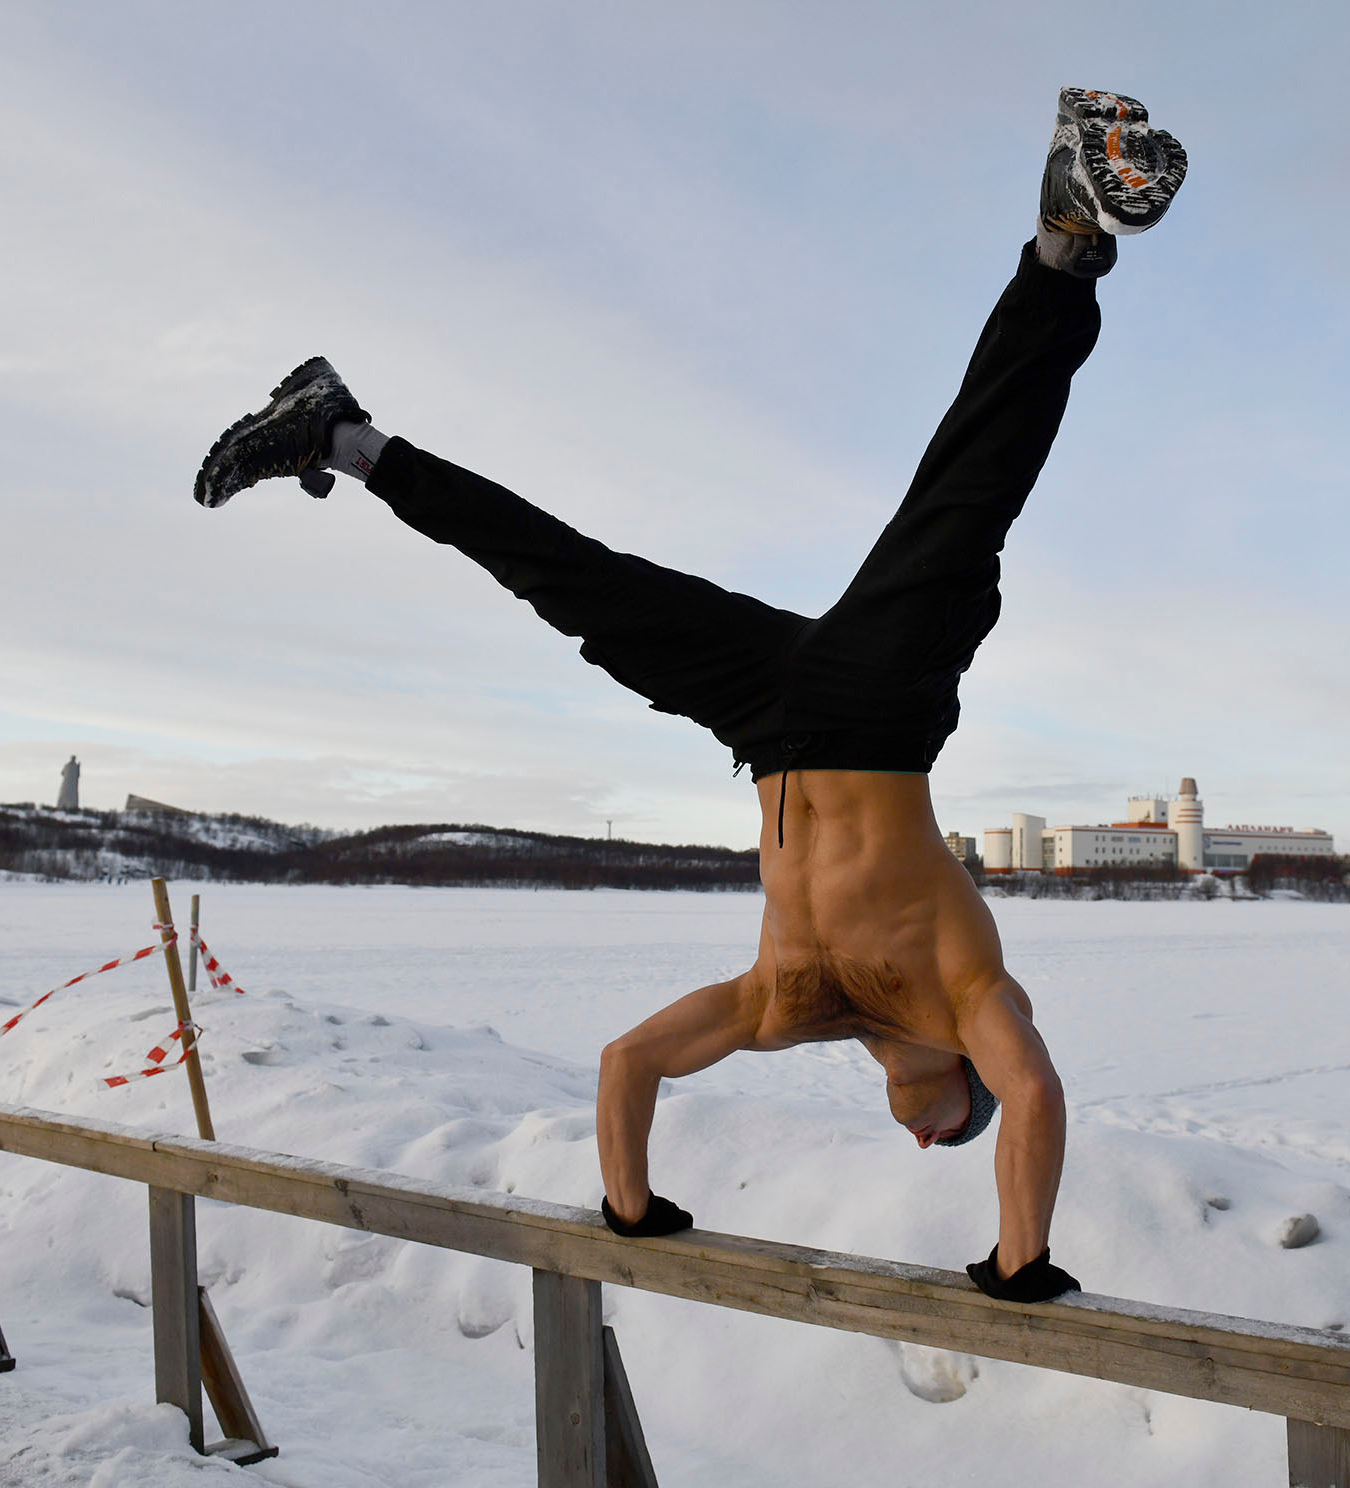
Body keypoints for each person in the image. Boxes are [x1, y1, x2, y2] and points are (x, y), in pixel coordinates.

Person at [195, 89, 1185, 1303]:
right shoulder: (968, 991)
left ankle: (341, 436)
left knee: (574, 585)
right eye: (947, 1131)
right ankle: (1069, 243)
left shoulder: (784, 1007)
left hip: (764, 722)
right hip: (881, 712)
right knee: (965, 492)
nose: (922, 1136)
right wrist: (1018, 1264)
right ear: (957, 1077)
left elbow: (627, 1064)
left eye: (931, 1142)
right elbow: (1033, 1095)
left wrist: (631, 1207)